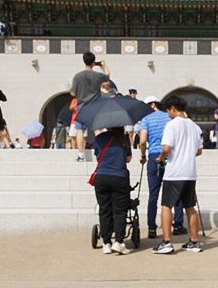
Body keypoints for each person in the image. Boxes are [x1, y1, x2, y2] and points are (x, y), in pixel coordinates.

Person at [152, 96, 203, 254]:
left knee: (167, 206)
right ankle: (194, 241)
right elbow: (199, 151)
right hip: (190, 172)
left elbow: (167, 148)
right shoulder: (195, 126)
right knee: (190, 207)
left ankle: (167, 242)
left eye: (168, 110)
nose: (168, 113)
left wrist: (160, 158)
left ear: (173, 108)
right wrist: (187, 154)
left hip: (174, 173)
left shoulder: (171, 125)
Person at [137, 96, 183, 240]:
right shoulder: (169, 117)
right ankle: (178, 225)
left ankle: (152, 227)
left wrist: (143, 155)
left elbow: (143, 141)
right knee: (176, 193)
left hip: (154, 157)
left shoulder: (146, 120)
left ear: (151, 105)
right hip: (170, 156)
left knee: (153, 194)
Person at [91, 125, 133, 255]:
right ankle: (119, 242)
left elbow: (98, 156)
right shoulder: (124, 139)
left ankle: (106, 243)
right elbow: (128, 159)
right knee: (120, 211)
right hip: (119, 177)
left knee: (105, 210)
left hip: (102, 177)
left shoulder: (100, 138)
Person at [70, 52, 113, 161]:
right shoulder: (98, 76)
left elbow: (73, 94)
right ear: (94, 62)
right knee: (97, 129)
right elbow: (108, 76)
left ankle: (80, 155)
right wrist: (103, 66)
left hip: (81, 108)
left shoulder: (78, 76)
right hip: (95, 107)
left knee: (80, 130)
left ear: (84, 61)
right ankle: (102, 151)